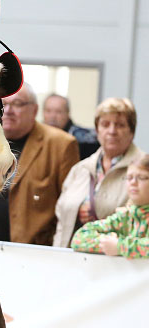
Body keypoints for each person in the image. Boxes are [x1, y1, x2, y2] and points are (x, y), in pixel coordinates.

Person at [0, 83, 79, 245]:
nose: (9, 111)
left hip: (35, 252)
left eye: (18, 104)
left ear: (34, 110)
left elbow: (70, 207)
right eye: (3, 104)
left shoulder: (61, 145)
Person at [52, 97, 142, 247]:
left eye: (120, 125)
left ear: (131, 131)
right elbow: (61, 222)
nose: (112, 131)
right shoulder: (80, 169)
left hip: (120, 263)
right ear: (97, 130)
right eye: (105, 124)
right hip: (69, 260)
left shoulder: (144, 169)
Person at [71, 153, 149, 259]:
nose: (133, 183)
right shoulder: (126, 215)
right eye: (129, 177)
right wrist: (108, 244)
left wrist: (120, 246)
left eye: (142, 177)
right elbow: (79, 238)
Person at [43, 94, 98, 160]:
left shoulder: (84, 140)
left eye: (58, 112)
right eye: (48, 111)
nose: (52, 116)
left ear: (68, 113)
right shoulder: (35, 136)